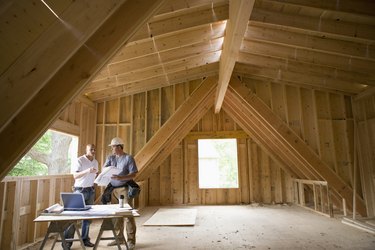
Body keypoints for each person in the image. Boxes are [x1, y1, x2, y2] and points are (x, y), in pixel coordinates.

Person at [102, 137, 138, 250]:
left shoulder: (128, 158)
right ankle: (119, 238)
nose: (112, 149)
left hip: (124, 189)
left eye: (113, 147)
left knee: (127, 215)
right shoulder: (110, 158)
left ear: (119, 147)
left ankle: (131, 241)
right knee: (116, 215)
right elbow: (104, 170)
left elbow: (133, 174)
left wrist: (121, 177)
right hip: (112, 189)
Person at [64, 144, 98, 248]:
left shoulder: (96, 162)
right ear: (86, 150)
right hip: (80, 191)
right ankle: (67, 243)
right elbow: (75, 176)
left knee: (88, 218)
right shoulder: (80, 160)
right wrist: (87, 171)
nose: (93, 151)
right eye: (91, 149)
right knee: (73, 217)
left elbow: (95, 175)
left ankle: (85, 239)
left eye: (94, 149)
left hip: (91, 190)